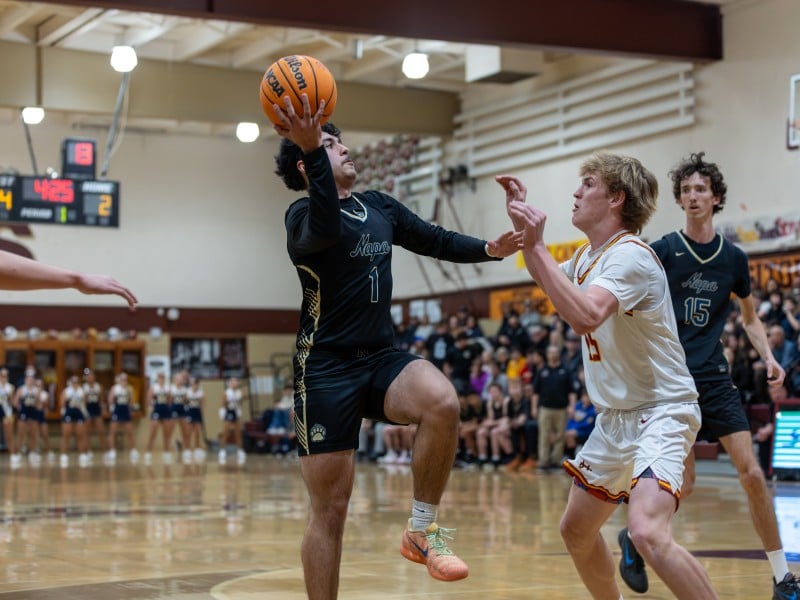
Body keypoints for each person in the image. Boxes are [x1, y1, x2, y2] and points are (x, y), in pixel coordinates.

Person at [272, 93, 522, 599]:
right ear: (307, 163)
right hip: (324, 370)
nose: (343, 147)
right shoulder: (300, 217)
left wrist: (489, 249)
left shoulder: (379, 206)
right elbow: (324, 226)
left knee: (442, 400)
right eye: (330, 145)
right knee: (331, 510)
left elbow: (434, 238)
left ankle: (422, 530)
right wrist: (311, 149)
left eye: (337, 142)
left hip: (380, 358)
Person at [501, 152, 718, 599]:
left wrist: (536, 247)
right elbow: (549, 282)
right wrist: (525, 235)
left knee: (647, 532)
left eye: (588, 184)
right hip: (615, 418)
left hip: (662, 411)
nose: (576, 192)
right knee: (576, 530)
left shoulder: (630, 257)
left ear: (616, 197)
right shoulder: (587, 256)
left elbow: (584, 316)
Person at [615, 152, 799, 598]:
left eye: (701, 189)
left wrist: (769, 357)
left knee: (752, 473)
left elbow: (750, 318)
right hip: (670, 383)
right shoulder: (663, 251)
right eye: (686, 190)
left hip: (715, 378)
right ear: (680, 199)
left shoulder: (733, 259)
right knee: (686, 483)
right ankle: (634, 538)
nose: (693, 195)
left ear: (716, 198)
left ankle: (782, 578)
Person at [105, 372, 139, 464]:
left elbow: (131, 400)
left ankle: (133, 450)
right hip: (117, 411)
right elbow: (110, 400)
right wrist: (112, 409)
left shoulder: (129, 389)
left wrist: (130, 409)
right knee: (112, 431)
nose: (124, 381)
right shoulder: (115, 388)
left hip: (125, 411)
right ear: (119, 380)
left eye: (125, 379)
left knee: (130, 431)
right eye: (122, 379)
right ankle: (112, 450)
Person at [59, 375, 90, 468]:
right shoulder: (66, 391)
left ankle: (82, 454)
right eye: (73, 382)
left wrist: (85, 413)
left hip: (78, 414)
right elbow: (62, 403)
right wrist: (63, 412)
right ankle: (64, 454)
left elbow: (84, 403)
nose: (75, 384)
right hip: (69, 413)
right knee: (66, 434)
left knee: (80, 434)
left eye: (76, 382)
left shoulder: (81, 392)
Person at [143, 372, 173, 465]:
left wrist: (168, 406)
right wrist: (152, 406)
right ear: (157, 378)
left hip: (165, 411)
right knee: (153, 432)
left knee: (167, 433)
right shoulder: (154, 388)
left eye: (163, 377)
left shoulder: (167, 388)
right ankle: (148, 451)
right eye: (160, 377)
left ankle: (166, 452)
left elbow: (170, 399)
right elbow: (148, 398)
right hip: (157, 410)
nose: (161, 379)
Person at [219, 376, 245, 465]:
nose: (234, 383)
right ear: (229, 383)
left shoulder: (239, 393)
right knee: (226, 432)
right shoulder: (227, 392)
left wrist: (239, 401)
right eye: (232, 382)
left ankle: (240, 451)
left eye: (235, 382)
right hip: (228, 412)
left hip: (235, 412)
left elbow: (240, 403)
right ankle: (222, 451)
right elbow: (223, 404)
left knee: (238, 432)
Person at [83, 368, 107, 459]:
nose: (90, 377)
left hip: (96, 410)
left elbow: (102, 400)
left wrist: (104, 409)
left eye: (91, 375)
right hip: (87, 410)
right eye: (88, 376)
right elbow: (83, 401)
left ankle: (104, 451)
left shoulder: (99, 387)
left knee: (101, 431)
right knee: (86, 432)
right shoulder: (83, 387)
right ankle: (88, 451)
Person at [0, 368, 18, 468]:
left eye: (5, 376)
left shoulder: (10, 387)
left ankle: (12, 453)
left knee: (9, 434)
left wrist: (12, 399)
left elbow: (12, 402)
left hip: (7, 412)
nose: (4, 377)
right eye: (2, 375)